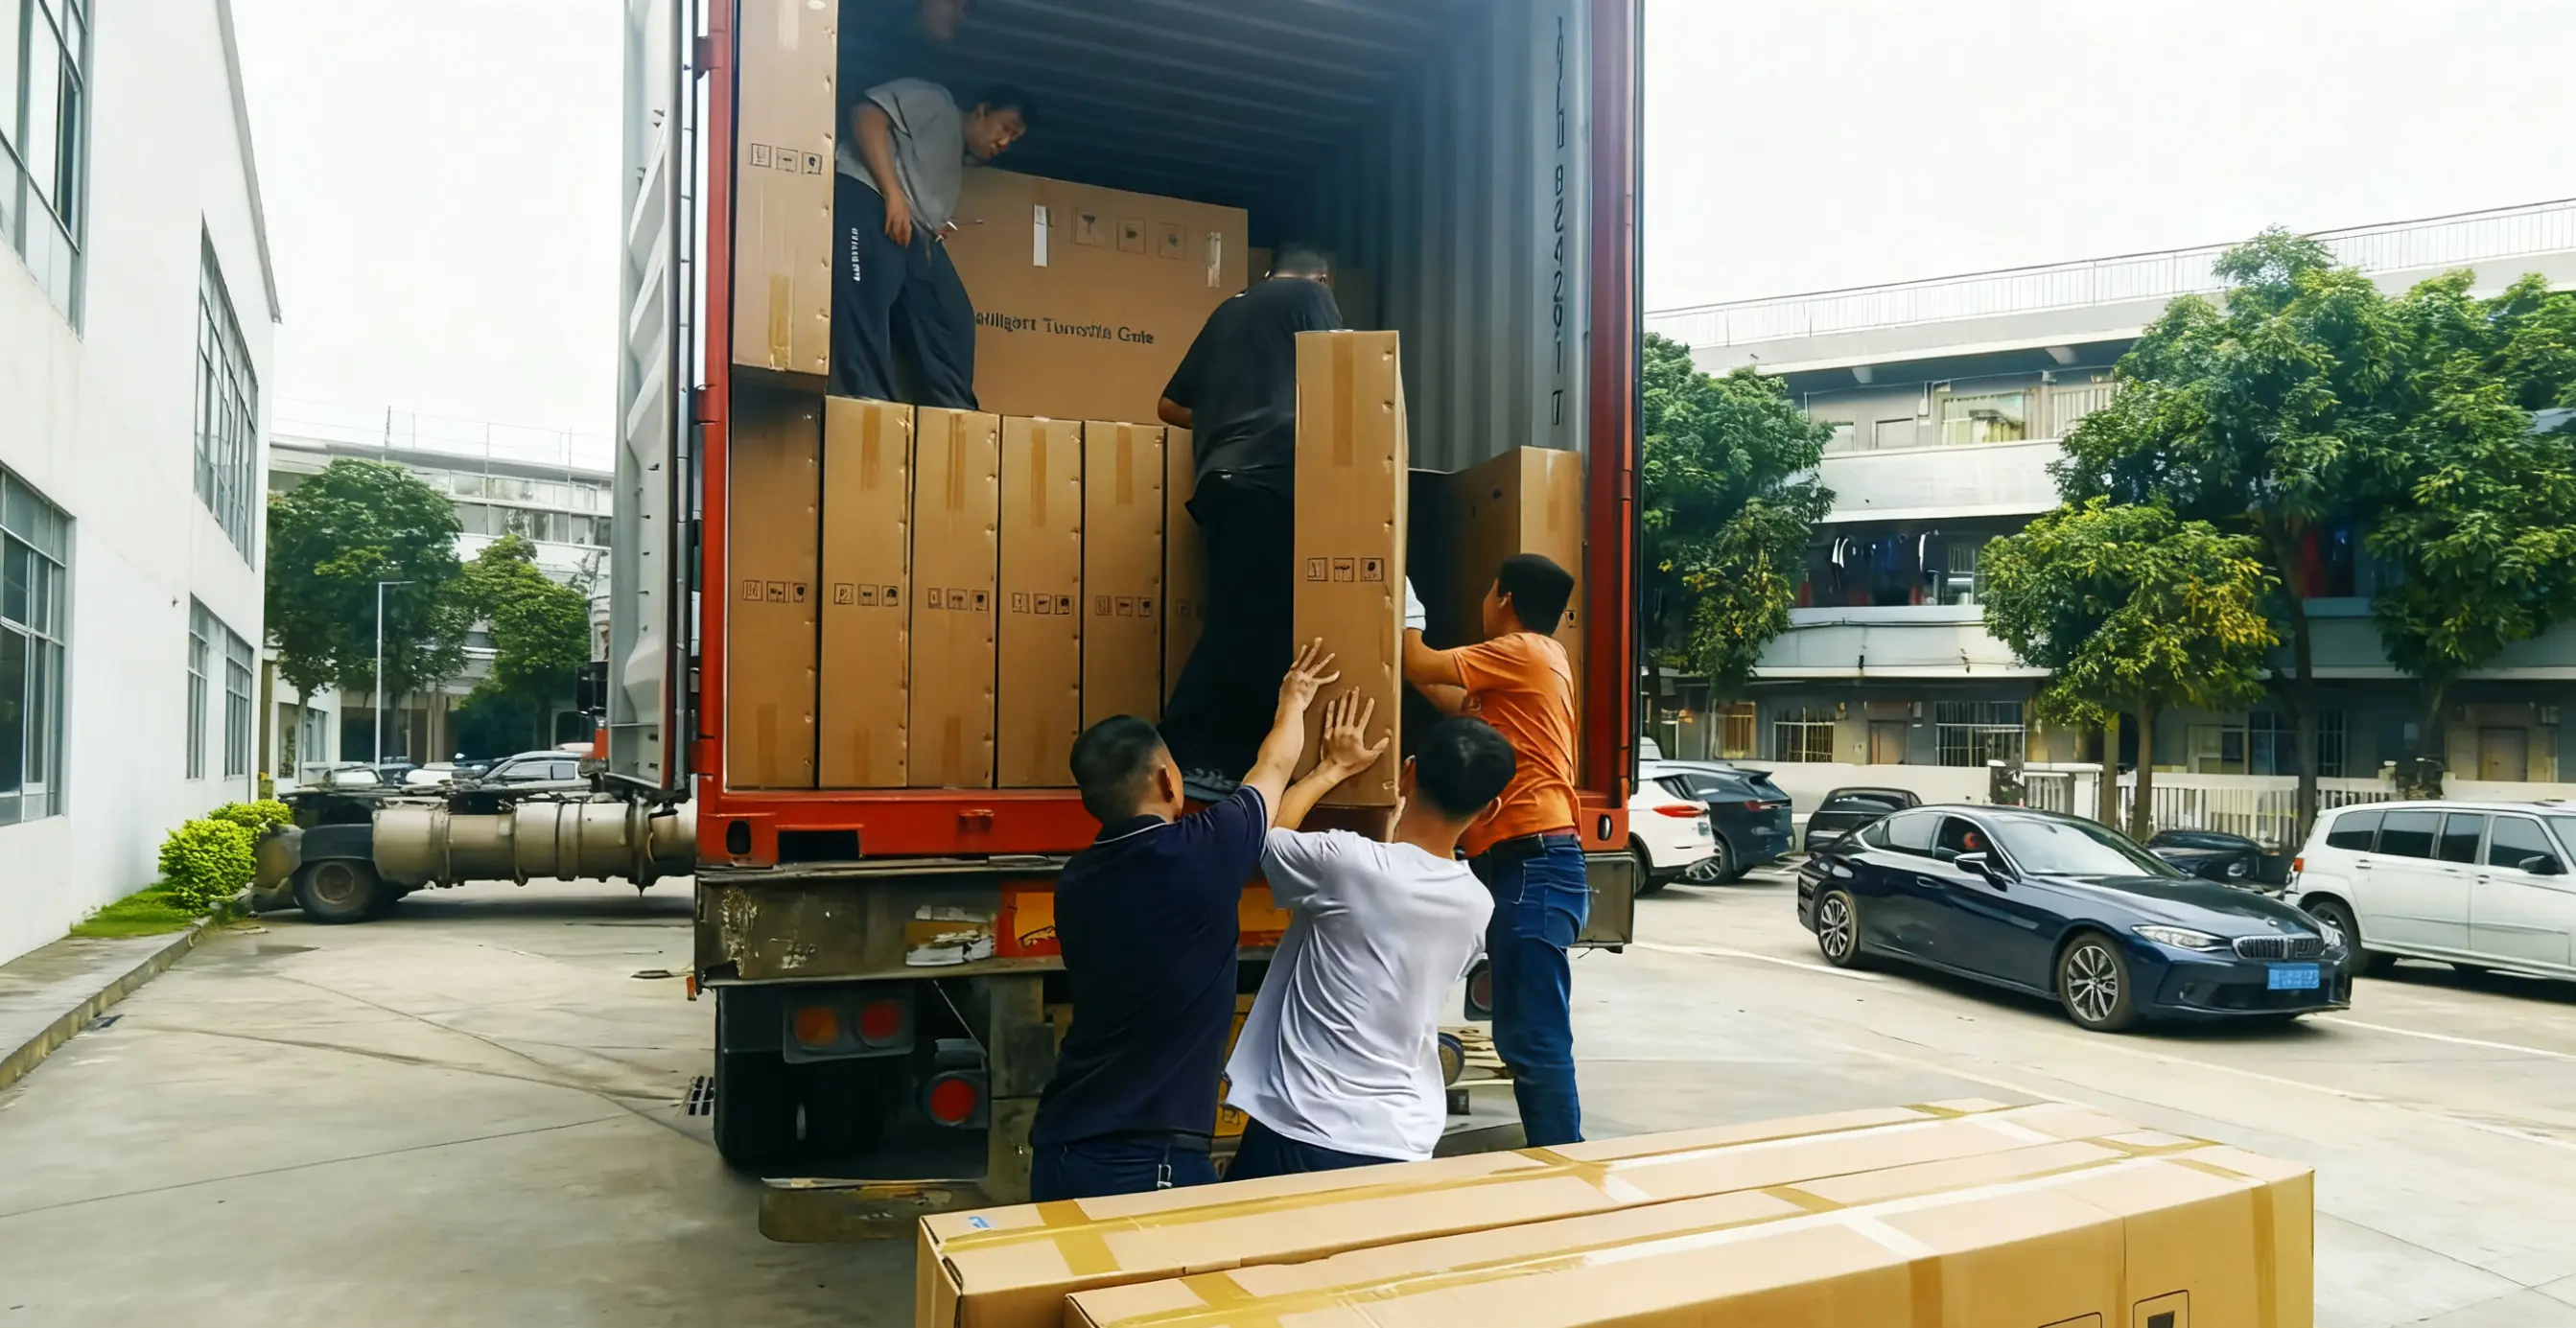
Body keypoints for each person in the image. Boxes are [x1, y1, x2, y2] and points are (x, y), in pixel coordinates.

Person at [1025, 641, 1342, 1201]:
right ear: (1171, 783)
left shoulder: (1076, 882)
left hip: (1061, 1150)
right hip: (1149, 1164)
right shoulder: (1202, 851)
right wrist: (1295, 700)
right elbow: (1272, 767)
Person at [1224, 705, 1516, 1178]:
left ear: (1408, 773)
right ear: (1490, 811)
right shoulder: (1476, 904)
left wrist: (1332, 768)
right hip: (1401, 1138)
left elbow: (1268, 834)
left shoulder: (1345, 863)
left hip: (1304, 1127)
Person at [1398, 553, 1586, 1146]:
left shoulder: (1523, 649)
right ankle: (1555, 1165)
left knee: (1533, 1038)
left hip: (1533, 863)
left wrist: (1398, 597)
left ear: (1502, 597)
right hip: (1527, 863)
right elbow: (1451, 702)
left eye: (1487, 589)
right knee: (1522, 1033)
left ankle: (1562, 1176)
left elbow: (1417, 659)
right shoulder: (1533, 666)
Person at [1155, 247, 1345, 798]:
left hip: (1220, 478)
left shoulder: (1228, 310)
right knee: (1249, 623)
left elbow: (1169, 405)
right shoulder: (1312, 297)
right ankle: (1187, 752)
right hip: (1270, 476)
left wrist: (1229, 415)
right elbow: (1342, 380)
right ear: (1324, 277)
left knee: (1242, 615)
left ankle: (1223, 757)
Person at [831, 78, 1034, 406]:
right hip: (869, 197)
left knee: (952, 316)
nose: (1005, 142)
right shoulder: (937, 101)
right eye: (1006, 127)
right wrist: (892, 192)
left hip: (916, 232)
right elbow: (865, 115)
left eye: (1013, 137)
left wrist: (932, 223)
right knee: (871, 288)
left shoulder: (955, 158)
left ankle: (956, 417)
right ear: (982, 111)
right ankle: (869, 404)